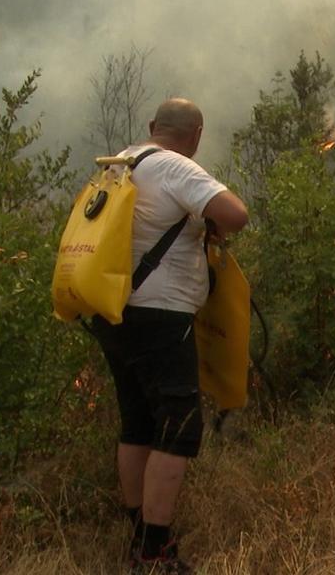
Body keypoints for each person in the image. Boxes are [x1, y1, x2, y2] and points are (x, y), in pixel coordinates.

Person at [89, 98, 248, 573]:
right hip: (160, 317)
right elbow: (236, 214)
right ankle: (156, 551)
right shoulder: (177, 168)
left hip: (114, 311)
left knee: (137, 421)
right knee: (178, 427)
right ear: (196, 134)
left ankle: (137, 534)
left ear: (153, 127)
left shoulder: (121, 163)